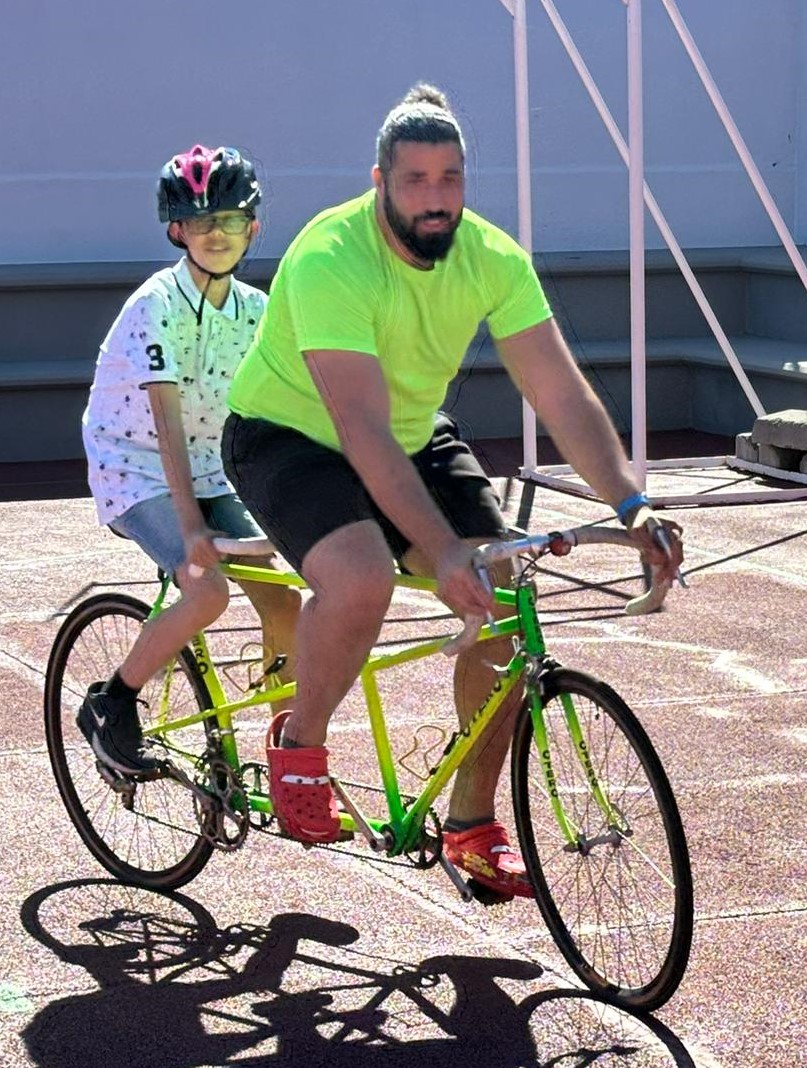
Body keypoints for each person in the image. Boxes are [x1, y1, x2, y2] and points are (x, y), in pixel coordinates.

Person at [221, 85, 684, 897]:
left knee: (499, 594)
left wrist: (630, 505)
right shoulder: (331, 256)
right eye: (415, 181)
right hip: (290, 434)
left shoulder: (493, 258)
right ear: (379, 183)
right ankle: (298, 744)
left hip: (407, 434)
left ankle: (470, 825)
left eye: (451, 179)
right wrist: (436, 552)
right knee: (361, 577)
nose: (436, 199)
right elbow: (356, 430)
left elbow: (562, 394)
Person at [78, 144, 299, 777]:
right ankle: (111, 702)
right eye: (202, 222)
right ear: (177, 230)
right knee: (207, 592)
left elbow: (287, 410)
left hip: (213, 466)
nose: (218, 233)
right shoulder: (157, 305)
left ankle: (291, 759)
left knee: (287, 602)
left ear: (252, 227)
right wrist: (194, 527)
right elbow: (166, 426)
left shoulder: (257, 311)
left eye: (231, 219)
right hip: (137, 464)